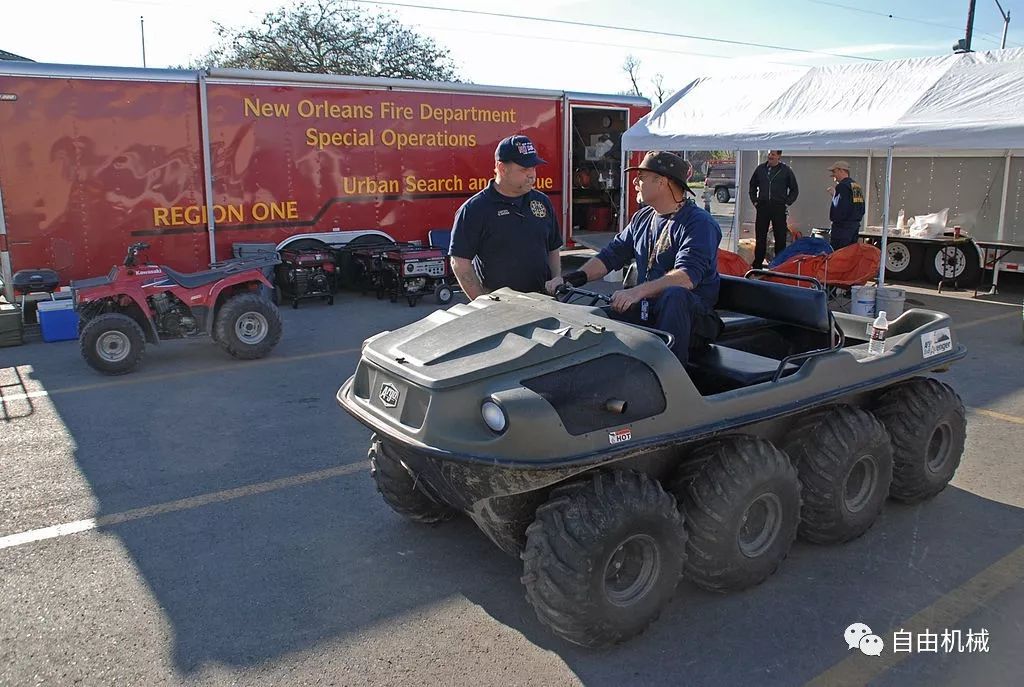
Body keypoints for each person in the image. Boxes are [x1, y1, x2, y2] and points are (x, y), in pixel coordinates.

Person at [546, 151, 722, 366]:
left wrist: (636, 292)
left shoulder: (699, 223)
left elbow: (686, 277)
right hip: (650, 311)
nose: (635, 182)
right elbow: (612, 255)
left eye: (641, 177)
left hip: (693, 321)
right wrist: (572, 278)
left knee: (675, 295)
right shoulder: (643, 217)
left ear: (662, 182)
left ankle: (674, 381)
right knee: (594, 321)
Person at [449, 134, 562, 300]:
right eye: (524, 169)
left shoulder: (542, 202)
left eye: (533, 167)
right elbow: (460, 262)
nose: (532, 175)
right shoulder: (475, 209)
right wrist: (482, 303)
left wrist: (555, 279)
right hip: (501, 309)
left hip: (544, 302)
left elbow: (553, 248)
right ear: (502, 168)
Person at [748, 150, 799, 269]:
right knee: (760, 237)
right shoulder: (760, 169)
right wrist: (755, 201)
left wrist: (787, 203)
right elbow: (752, 186)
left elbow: (794, 190)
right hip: (763, 207)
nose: (770, 156)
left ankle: (778, 264)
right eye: (770, 154)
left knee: (780, 237)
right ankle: (757, 264)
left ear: (779, 156)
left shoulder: (786, 171)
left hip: (779, 207)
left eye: (773, 155)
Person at [828, 160, 866, 250]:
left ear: (842, 170)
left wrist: (835, 196)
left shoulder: (842, 186)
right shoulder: (856, 186)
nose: (833, 175)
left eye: (834, 171)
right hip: (854, 228)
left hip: (842, 231)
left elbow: (839, 209)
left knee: (839, 257)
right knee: (850, 256)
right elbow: (861, 208)